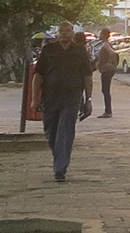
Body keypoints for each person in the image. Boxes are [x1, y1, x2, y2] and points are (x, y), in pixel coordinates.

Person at [32, 23, 94, 182]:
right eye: (62, 31)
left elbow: (87, 76)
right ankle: (59, 158)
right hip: (50, 97)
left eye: (68, 31)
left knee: (65, 130)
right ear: (57, 34)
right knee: (51, 132)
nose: (65, 34)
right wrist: (34, 98)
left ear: (72, 33)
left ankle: (60, 168)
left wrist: (88, 99)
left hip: (72, 97)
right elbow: (38, 75)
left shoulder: (80, 52)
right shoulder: (48, 51)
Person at [93, 30, 119, 118]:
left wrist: (109, 64)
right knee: (105, 90)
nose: (99, 35)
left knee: (105, 90)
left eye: (100, 34)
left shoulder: (106, 45)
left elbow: (112, 53)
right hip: (106, 70)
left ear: (103, 35)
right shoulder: (106, 44)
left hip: (107, 71)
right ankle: (107, 110)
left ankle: (108, 111)